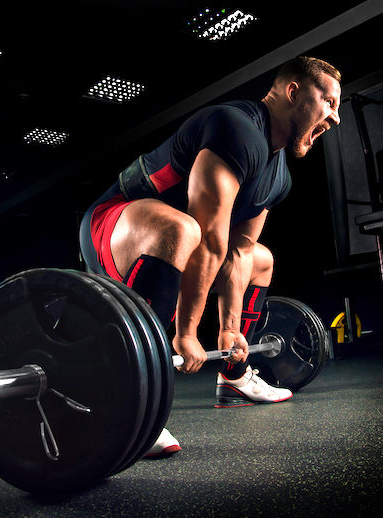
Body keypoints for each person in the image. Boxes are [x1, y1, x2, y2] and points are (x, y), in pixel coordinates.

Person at [79, 55, 341, 457]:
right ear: (294, 92)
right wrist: (184, 334)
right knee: (183, 230)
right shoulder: (235, 128)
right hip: (111, 226)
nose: (335, 118)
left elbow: (238, 251)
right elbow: (209, 242)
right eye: (329, 103)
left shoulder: (279, 173)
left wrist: (228, 332)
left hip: (174, 245)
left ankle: (235, 375)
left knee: (261, 259)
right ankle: (122, 401)